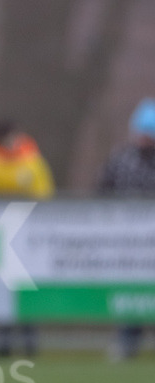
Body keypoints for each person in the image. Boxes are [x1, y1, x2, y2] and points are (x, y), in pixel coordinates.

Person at [0, 119, 55, 357]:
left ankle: (30, 340)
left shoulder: (31, 159)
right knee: (1, 288)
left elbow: (44, 192)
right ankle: (2, 341)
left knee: (27, 287)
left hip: (27, 236)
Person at [97, 97, 155, 360]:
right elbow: (102, 190)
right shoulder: (121, 158)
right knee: (131, 290)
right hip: (127, 242)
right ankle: (126, 342)